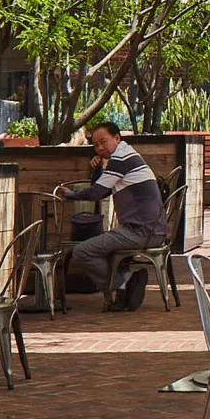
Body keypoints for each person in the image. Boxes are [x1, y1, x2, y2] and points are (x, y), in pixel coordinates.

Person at [65, 122, 165, 311]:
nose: (100, 148)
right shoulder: (126, 155)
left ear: (117, 138)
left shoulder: (121, 159)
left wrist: (70, 195)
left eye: (104, 142)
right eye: (96, 145)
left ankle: (124, 284)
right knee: (105, 246)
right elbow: (102, 192)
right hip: (150, 229)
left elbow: (95, 194)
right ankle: (124, 287)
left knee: (82, 252)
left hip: (140, 232)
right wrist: (97, 170)